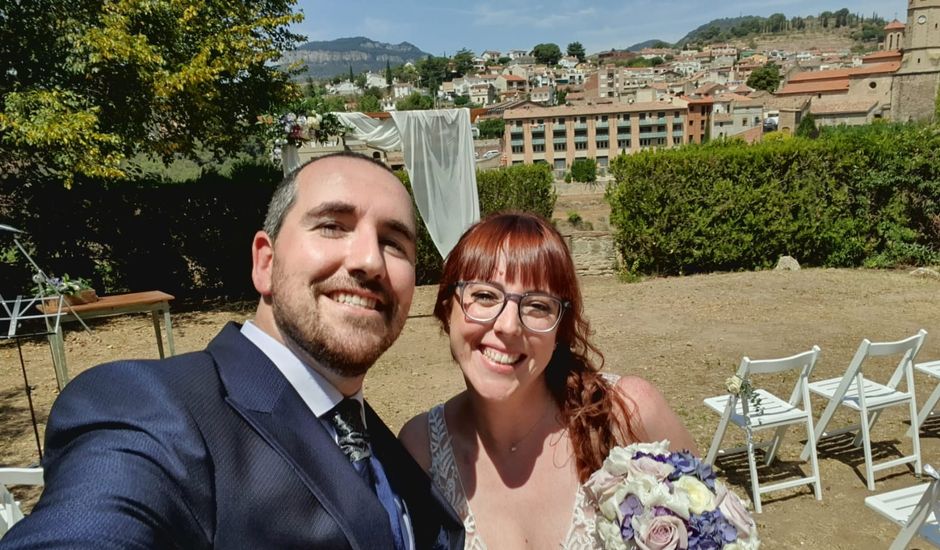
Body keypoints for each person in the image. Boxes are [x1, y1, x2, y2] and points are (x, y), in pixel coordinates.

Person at [3, 152, 464, 549]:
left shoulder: (380, 444)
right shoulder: (152, 414)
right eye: (331, 225)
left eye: (393, 242)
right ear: (265, 262)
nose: (369, 259)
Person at [399, 212, 696, 549]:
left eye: (537, 305)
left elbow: (715, 532)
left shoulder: (628, 414)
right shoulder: (420, 449)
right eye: (484, 296)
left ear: (559, 330)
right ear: (445, 309)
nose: (509, 325)